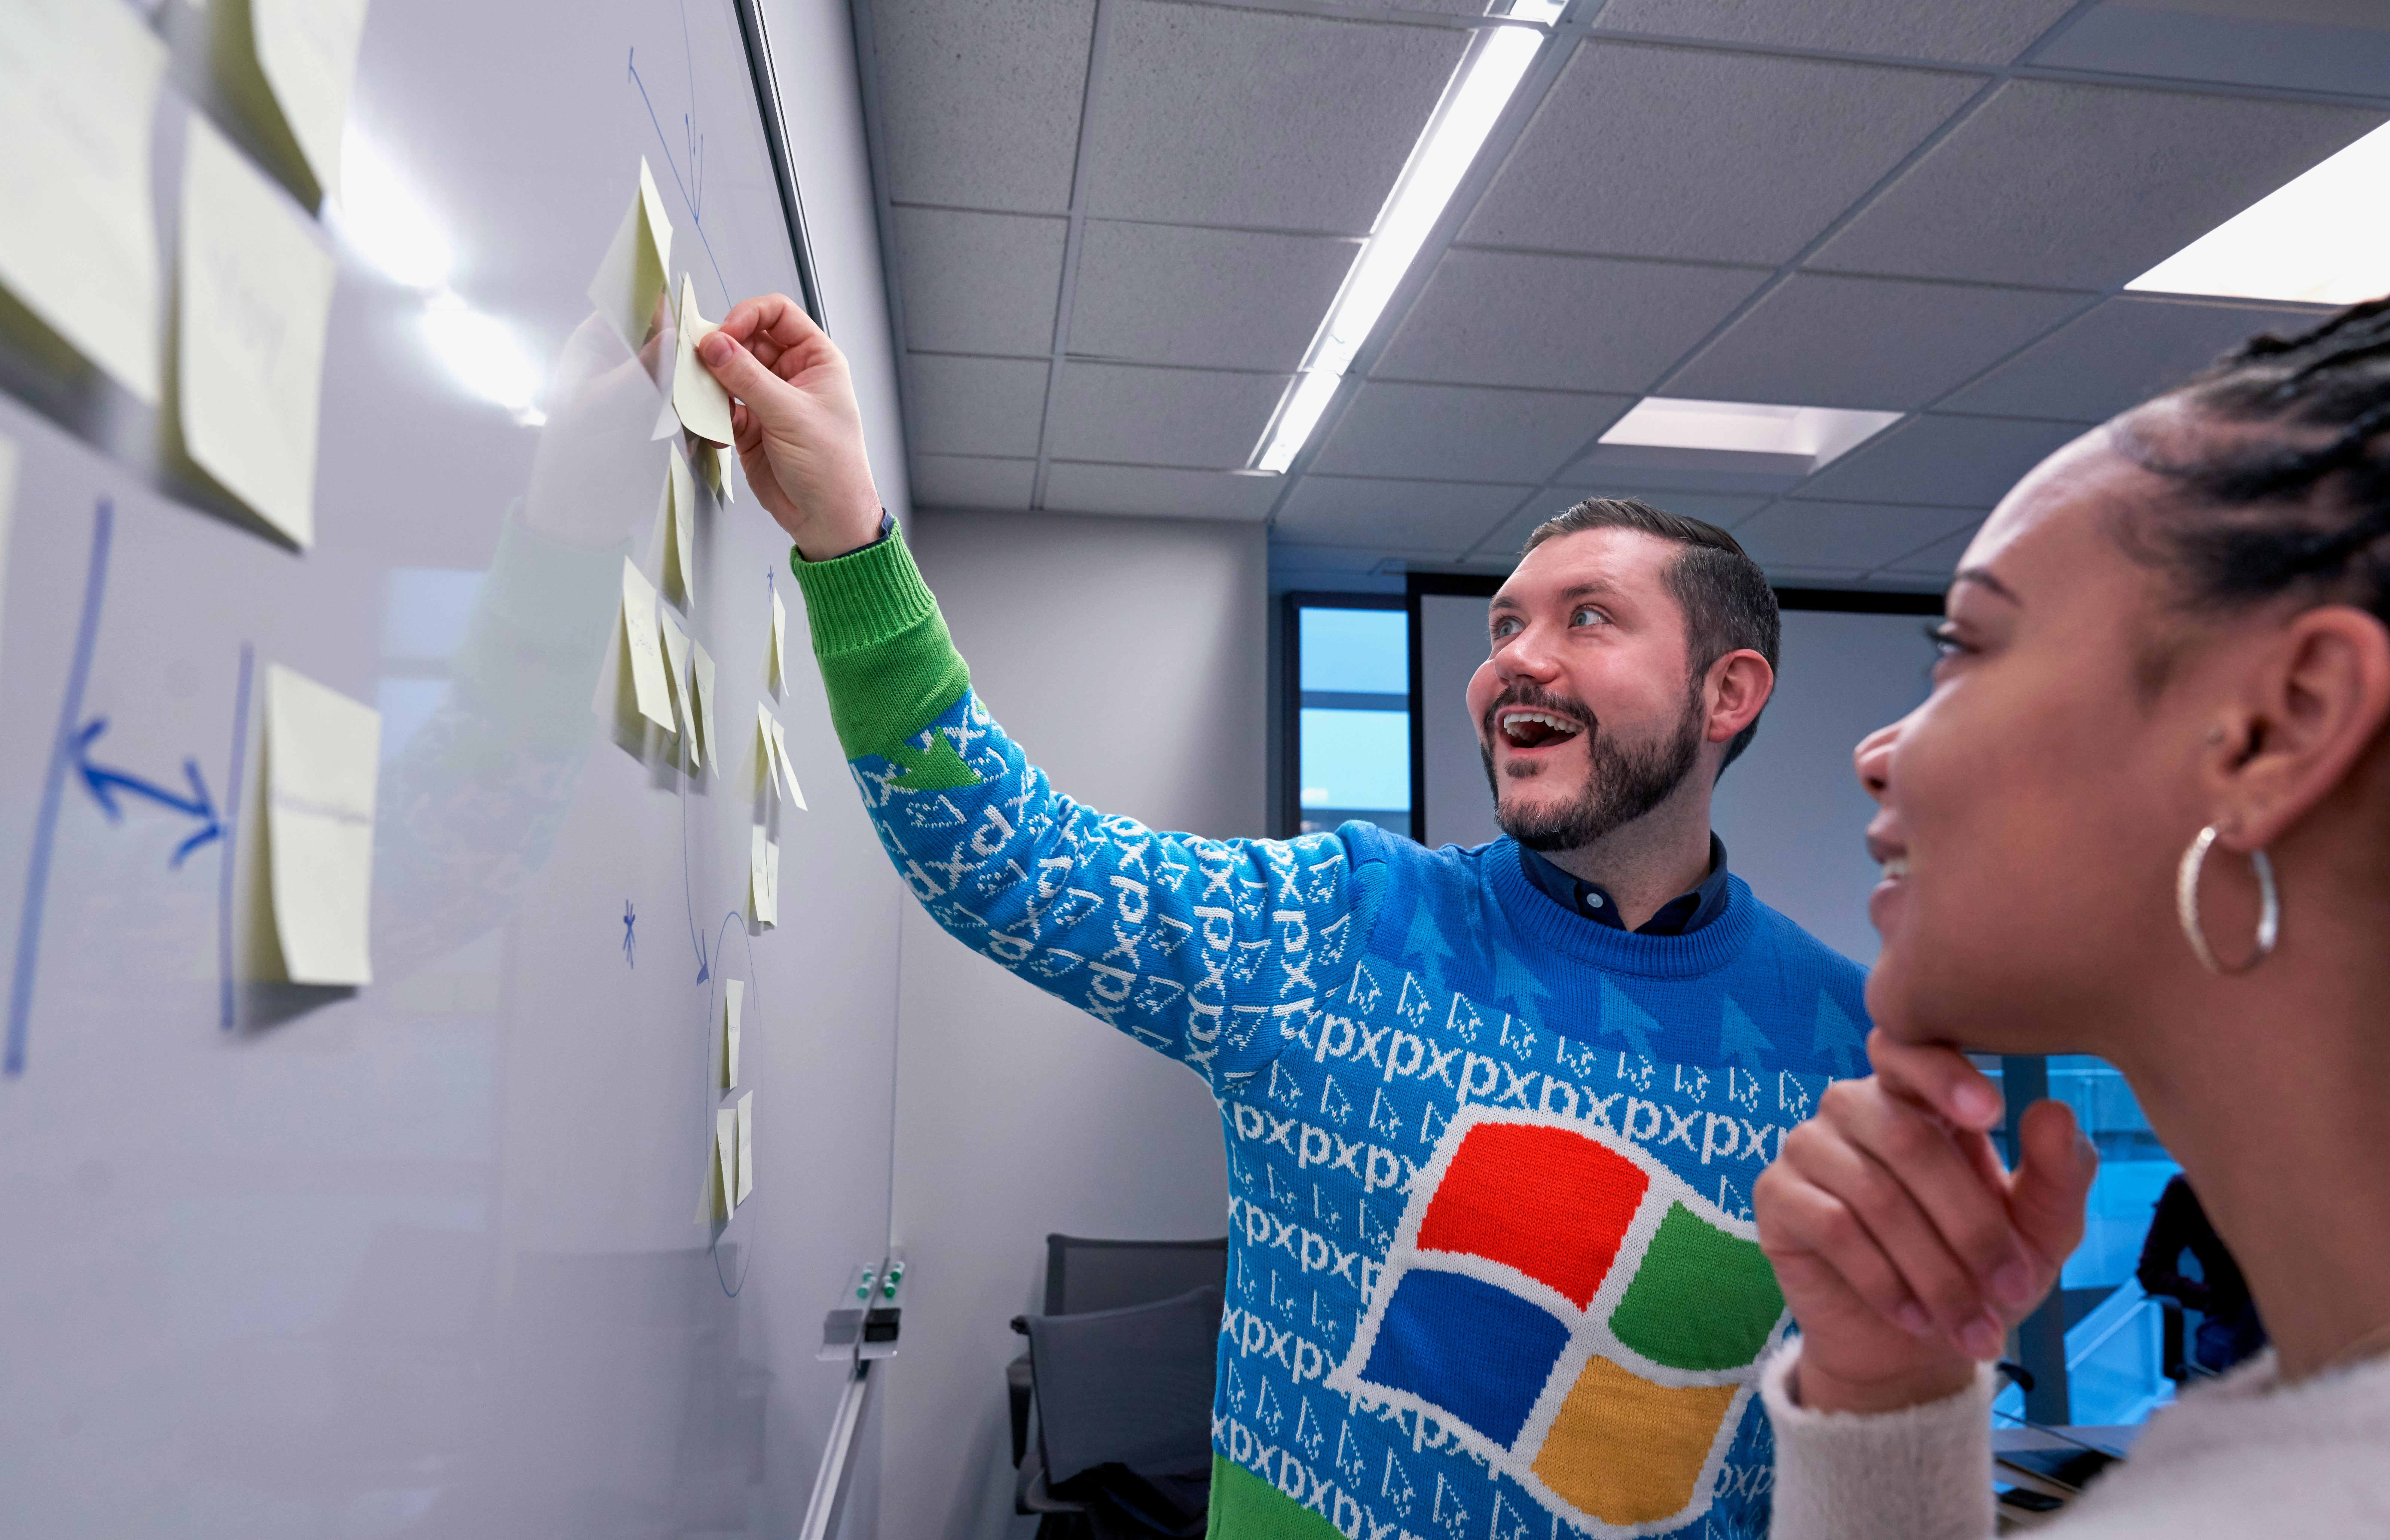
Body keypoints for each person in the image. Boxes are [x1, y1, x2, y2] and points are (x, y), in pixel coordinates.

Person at [694, 302, 1871, 1538]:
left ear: (1726, 693)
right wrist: (847, 544)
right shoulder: (1339, 926)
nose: (1514, 661)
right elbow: (1003, 857)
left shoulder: (1849, 1046)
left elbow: (1844, 1448)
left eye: (1586, 618)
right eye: (1502, 624)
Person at [1749, 298, 2390, 1537]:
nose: (1878, 754)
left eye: (1966, 647)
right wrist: (1886, 1396)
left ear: (2276, 728)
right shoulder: (2266, 1444)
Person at [2137, 1172, 2266, 1375]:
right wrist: (2211, 1296)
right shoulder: (2189, 1188)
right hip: (2233, 1320)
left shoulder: (2296, 1186)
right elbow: (2152, 1270)